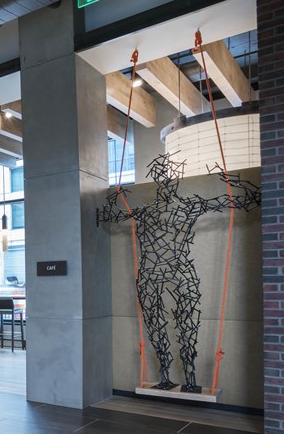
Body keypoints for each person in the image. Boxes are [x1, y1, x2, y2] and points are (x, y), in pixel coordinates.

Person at [100, 154, 259, 393]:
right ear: (158, 181)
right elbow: (106, 216)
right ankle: (166, 377)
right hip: (154, 273)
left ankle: (190, 380)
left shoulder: (187, 206)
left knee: (186, 324)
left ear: (175, 181)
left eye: (170, 179)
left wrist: (231, 179)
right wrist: (114, 195)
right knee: (157, 325)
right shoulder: (147, 211)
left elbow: (252, 198)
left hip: (176, 271)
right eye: (162, 178)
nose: (166, 183)